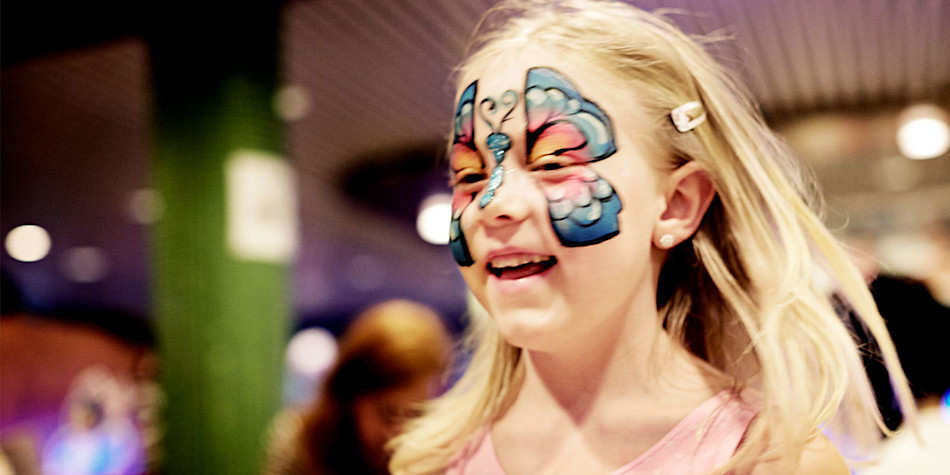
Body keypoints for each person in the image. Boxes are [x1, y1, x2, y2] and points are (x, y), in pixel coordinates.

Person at [388, 1, 916, 473]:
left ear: (678, 205)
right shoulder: (431, 461)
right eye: (470, 174)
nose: (491, 203)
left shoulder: (771, 462)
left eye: (552, 163)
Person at [264, 299, 453, 475]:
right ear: (350, 394)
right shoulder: (299, 443)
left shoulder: (442, 460)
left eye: (416, 416)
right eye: (388, 413)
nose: (399, 434)